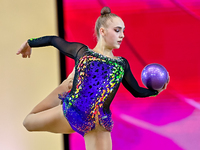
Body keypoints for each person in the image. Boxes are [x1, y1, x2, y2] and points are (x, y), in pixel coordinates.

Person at [16, 7, 168, 150]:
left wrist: (155, 92)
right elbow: (53, 40)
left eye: (123, 31)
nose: (122, 35)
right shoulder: (83, 53)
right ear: (102, 31)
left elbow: (136, 91)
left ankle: (69, 84)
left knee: (70, 85)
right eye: (117, 30)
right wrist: (29, 43)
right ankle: (67, 85)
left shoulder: (121, 64)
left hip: (97, 124)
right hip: (71, 113)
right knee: (28, 122)